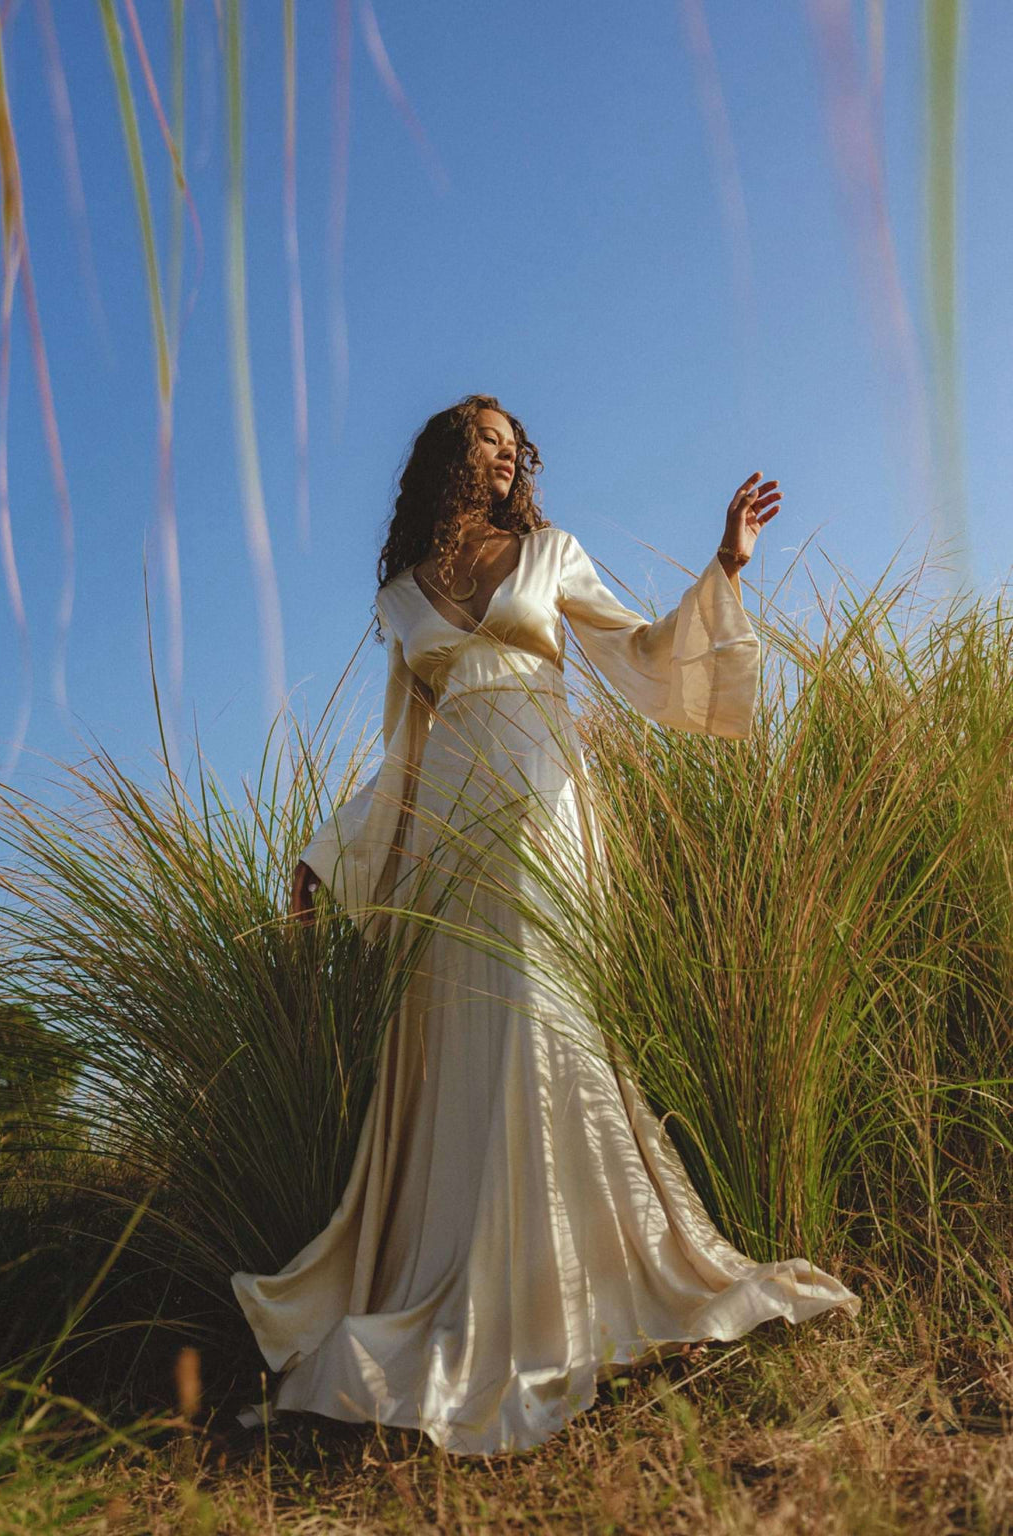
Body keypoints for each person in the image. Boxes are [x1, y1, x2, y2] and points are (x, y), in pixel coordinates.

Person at [231, 393, 859, 1456]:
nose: (505, 451)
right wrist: (326, 855)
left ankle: (586, 1275)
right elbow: (402, 757)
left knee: (548, 1014)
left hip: (544, 795)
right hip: (451, 831)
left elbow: (644, 650)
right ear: (447, 456)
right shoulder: (401, 595)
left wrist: (727, 566)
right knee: (465, 1029)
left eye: (513, 441)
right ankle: (459, 1276)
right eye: (484, 436)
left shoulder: (550, 551)